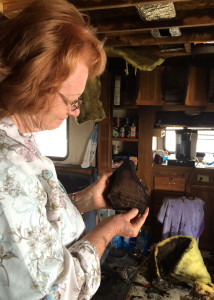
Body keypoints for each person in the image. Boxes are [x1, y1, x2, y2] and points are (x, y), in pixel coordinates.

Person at [0, 0, 149, 299]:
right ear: (35, 84)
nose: (75, 112)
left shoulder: (20, 140)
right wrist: (107, 230)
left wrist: (85, 199)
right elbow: (56, 291)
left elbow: (32, 223)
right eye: (73, 100)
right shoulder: (6, 165)